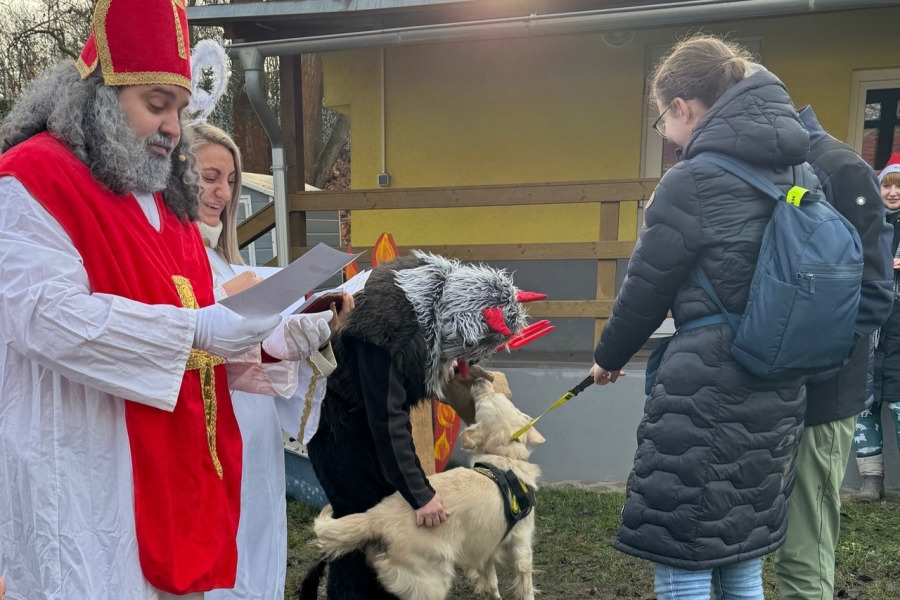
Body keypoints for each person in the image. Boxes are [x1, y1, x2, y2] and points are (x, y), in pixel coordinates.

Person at [0, 1, 314, 597]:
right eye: (156, 104)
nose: (174, 127)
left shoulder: (164, 201)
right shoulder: (31, 178)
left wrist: (275, 339)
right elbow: (42, 317)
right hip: (88, 475)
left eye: (179, 109)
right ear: (98, 95)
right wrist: (197, 330)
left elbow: (207, 331)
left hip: (176, 482)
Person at [591, 34, 811, 599]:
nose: (666, 134)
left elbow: (645, 289)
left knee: (681, 550)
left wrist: (608, 357)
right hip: (778, 380)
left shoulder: (691, 181)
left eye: (662, 120)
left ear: (682, 107)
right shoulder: (798, 173)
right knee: (738, 544)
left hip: (706, 388)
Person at [300, 251, 545, 599]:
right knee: (362, 519)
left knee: (389, 518)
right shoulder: (389, 328)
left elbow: (421, 372)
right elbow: (388, 419)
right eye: (464, 349)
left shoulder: (431, 298)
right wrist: (421, 495)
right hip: (339, 428)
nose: (461, 360)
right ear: (463, 324)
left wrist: (453, 366)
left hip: (368, 420)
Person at [186, 121, 350, 600]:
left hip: (251, 425)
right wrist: (261, 330)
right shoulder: (169, 259)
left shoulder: (229, 263)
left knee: (256, 531)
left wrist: (313, 329)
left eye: (230, 180)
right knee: (219, 548)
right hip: (204, 427)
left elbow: (257, 356)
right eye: (210, 177)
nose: (222, 192)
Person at [770, 108, 894, 600]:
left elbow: (875, 293)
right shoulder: (767, 163)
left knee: (805, 540)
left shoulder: (839, 167)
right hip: (765, 385)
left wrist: (819, 359)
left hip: (824, 392)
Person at [850, 152, 900, 502]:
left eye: (899, 186)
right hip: (870, 327)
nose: (892, 192)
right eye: (887, 186)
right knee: (863, 406)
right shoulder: (868, 223)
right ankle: (871, 480)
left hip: (898, 331)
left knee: (899, 406)